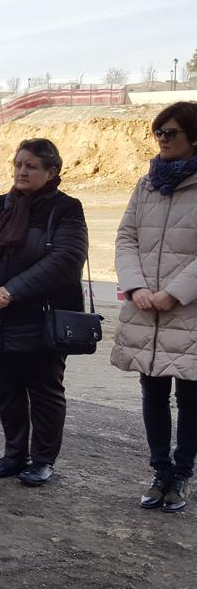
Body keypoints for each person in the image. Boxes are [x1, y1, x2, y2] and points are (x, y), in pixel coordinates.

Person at [0, 138, 86, 487]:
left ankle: (43, 459)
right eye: (18, 164)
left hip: (41, 316)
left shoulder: (66, 209)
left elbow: (66, 258)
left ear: (51, 172)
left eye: (30, 166)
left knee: (44, 390)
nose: (21, 171)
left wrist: (12, 291)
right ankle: (14, 454)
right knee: (6, 389)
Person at [112, 101, 197, 513]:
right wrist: (135, 286)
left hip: (189, 311)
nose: (162, 139)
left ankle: (182, 475)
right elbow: (126, 237)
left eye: (171, 133)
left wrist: (173, 293)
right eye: (158, 132)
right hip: (145, 306)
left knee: (192, 397)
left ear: (194, 138)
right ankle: (160, 470)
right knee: (152, 392)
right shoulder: (147, 185)